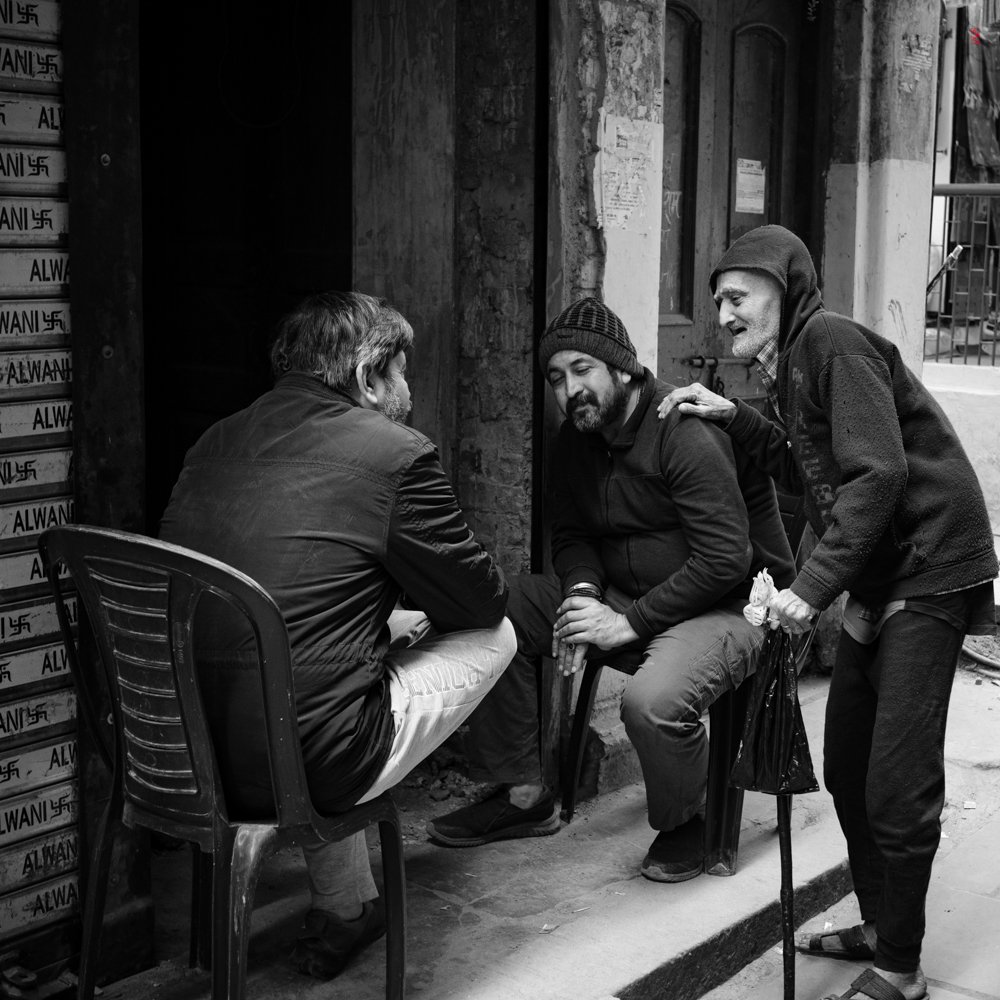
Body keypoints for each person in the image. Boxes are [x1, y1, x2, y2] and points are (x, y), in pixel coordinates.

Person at [660, 225, 998, 1000]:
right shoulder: (793, 368)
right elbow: (810, 468)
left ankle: (903, 968)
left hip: (931, 563)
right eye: (717, 301)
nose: (723, 314)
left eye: (737, 296)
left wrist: (808, 592)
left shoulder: (833, 344)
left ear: (787, 288)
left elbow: (876, 478)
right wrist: (733, 416)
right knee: (847, 764)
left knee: (897, 780)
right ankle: (881, 928)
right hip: (881, 574)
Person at [159, 291, 516, 981]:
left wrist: (374, 624)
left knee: (321, 665)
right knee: (496, 634)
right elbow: (480, 600)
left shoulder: (212, 441)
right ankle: (352, 876)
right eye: (404, 373)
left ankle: (346, 906)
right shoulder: (395, 454)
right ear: (368, 377)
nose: (410, 391)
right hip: (311, 760)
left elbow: (267, 595)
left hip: (178, 750)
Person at [426, 296, 795, 883]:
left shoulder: (683, 429)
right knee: (501, 610)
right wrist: (581, 595)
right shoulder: (576, 438)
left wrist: (626, 623)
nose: (569, 390)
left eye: (581, 371)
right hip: (627, 597)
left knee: (649, 703)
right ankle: (524, 794)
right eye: (555, 378)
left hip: (727, 607)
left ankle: (689, 819)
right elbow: (570, 533)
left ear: (621, 368)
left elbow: (727, 559)